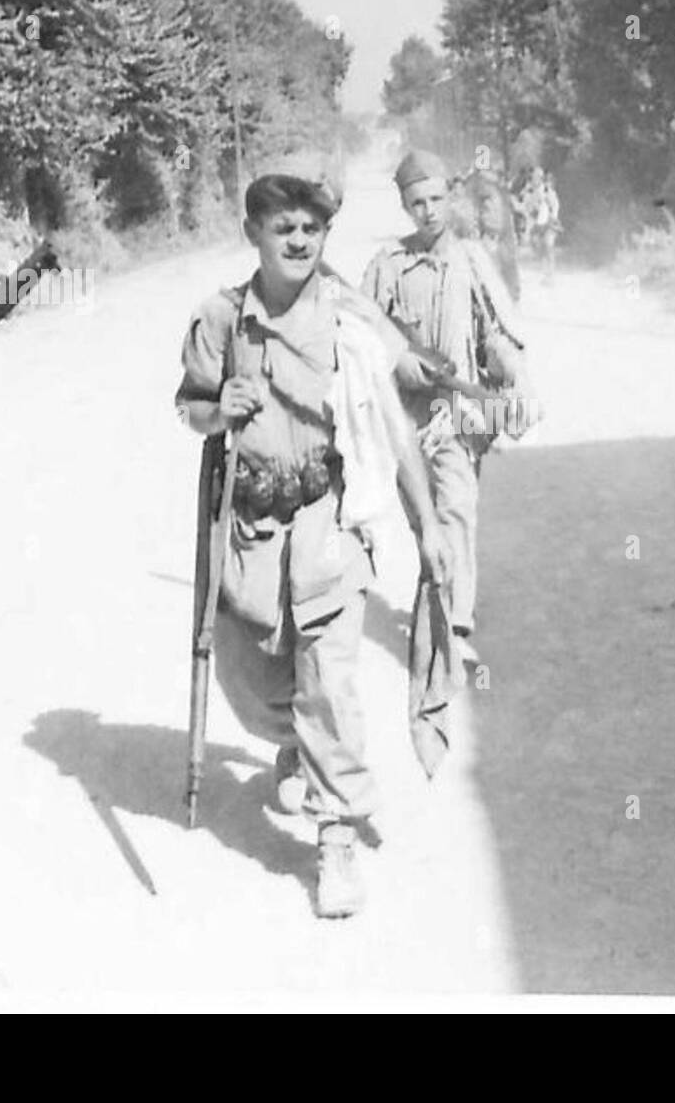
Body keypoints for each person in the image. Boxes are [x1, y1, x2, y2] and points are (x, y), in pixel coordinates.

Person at [174, 154, 448, 919]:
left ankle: (334, 841)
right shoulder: (222, 319)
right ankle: (290, 740)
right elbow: (190, 411)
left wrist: (428, 525)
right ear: (253, 232)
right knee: (256, 675)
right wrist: (216, 411)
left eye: (312, 228)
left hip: (327, 519)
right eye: (283, 226)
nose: (298, 240)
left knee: (330, 682)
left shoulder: (349, 318)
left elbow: (390, 431)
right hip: (251, 529)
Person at [361, 149, 538, 663]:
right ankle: (437, 601)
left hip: (459, 416)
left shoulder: (472, 261)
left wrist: (516, 378)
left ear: (449, 198)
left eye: (436, 199)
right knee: (425, 519)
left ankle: (456, 625)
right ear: (403, 205)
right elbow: (360, 333)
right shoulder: (387, 266)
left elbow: (497, 334)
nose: (429, 211)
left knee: (457, 507)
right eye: (417, 202)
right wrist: (397, 360)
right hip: (403, 418)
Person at [459, 168, 523, 303]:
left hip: (498, 234)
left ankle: (506, 297)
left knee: (499, 265)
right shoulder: (496, 197)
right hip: (498, 234)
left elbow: (495, 218)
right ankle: (506, 296)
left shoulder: (492, 199)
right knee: (502, 265)